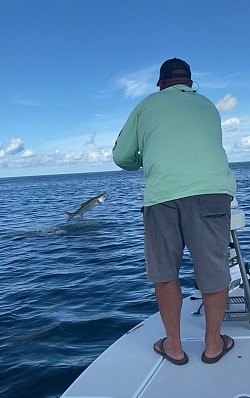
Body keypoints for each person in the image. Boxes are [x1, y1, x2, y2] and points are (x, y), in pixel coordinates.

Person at [112, 57, 236, 365]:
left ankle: (175, 348)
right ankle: (212, 346)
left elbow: (121, 157)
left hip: (163, 195)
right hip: (212, 192)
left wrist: (145, 158)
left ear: (162, 83)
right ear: (190, 83)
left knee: (166, 273)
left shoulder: (146, 105)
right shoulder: (209, 106)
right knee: (213, 270)